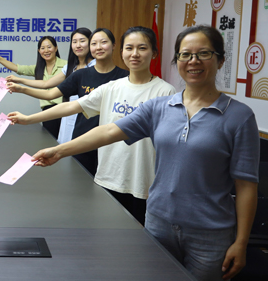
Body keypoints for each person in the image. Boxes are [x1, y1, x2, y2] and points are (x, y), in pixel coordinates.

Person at [31, 25, 260, 281]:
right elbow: (109, 131)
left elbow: (246, 185)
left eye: (204, 53)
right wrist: (59, 151)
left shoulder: (239, 116)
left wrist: (241, 242)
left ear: (220, 60)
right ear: (177, 60)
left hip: (210, 233)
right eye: (185, 54)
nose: (193, 61)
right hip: (158, 224)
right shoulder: (159, 107)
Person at [9, 27, 175, 224]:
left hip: (144, 184)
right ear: (122, 51)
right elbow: (71, 106)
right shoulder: (111, 88)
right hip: (108, 177)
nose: (135, 54)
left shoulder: (166, 92)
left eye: (142, 48)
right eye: (129, 48)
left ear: (154, 53)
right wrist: (29, 119)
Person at [7, 28, 128, 175]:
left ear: (114, 45)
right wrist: (22, 90)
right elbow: (55, 96)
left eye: (103, 42)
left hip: (112, 142)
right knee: (80, 180)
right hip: (83, 140)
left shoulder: (124, 78)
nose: (98, 47)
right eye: (94, 43)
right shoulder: (80, 74)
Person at [6, 28, 95, 143]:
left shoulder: (96, 67)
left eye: (82, 41)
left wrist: (21, 87)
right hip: (68, 115)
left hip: (88, 117)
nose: (78, 45)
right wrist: (20, 86)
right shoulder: (70, 68)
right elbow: (47, 85)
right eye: (74, 42)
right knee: (62, 147)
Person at [0, 36, 68, 139]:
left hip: (64, 109)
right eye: (42, 48)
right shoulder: (38, 68)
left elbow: (46, 84)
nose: (46, 51)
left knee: (66, 141)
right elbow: (18, 68)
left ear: (56, 48)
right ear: (39, 51)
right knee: (50, 141)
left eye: (49, 47)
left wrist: (20, 82)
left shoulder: (67, 66)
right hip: (47, 112)